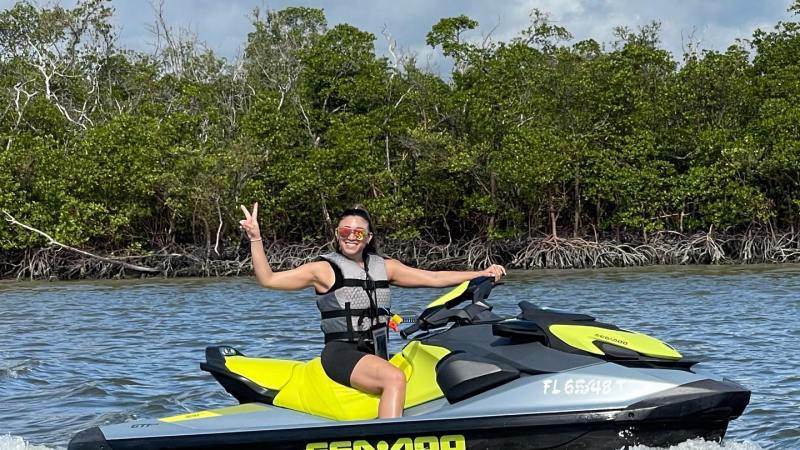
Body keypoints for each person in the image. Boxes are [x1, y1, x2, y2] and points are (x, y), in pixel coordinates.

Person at [239, 202, 506, 419]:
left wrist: (482, 274)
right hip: (341, 353)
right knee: (394, 378)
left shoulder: (385, 267)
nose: (351, 238)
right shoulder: (322, 270)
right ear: (337, 234)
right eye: (345, 232)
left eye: (358, 233)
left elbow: (434, 278)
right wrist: (256, 238)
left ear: (368, 238)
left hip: (375, 353)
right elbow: (269, 280)